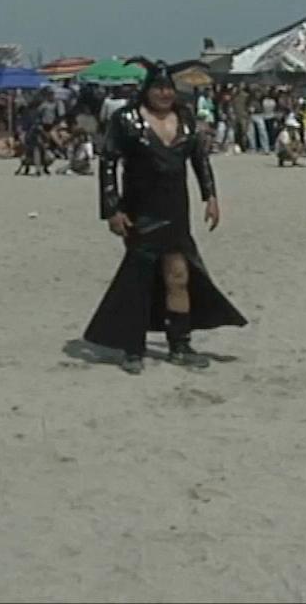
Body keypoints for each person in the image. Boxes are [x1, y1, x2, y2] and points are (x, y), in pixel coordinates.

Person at [84, 61, 245, 375]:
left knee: (179, 276)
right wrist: (112, 209)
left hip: (175, 209)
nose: (164, 93)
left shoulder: (184, 119)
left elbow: (199, 158)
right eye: (158, 88)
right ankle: (133, 348)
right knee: (139, 280)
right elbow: (108, 164)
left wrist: (210, 196)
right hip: (139, 210)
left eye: (168, 88)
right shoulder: (126, 119)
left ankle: (180, 345)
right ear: (147, 89)